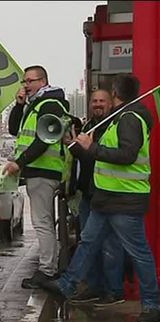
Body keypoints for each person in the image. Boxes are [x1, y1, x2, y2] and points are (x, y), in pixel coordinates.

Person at [40, 74, 160, 322]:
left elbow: (126, 155)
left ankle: (152, 303)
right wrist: (82, 145)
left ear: (116, 94)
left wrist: (91, 148)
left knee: (137, 252)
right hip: (108, 196)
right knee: (89, 242)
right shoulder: (123, 118)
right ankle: (67, 284)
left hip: (124, 198)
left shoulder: (129, 119)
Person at [3, 65, 70, 289]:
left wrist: (19, 163)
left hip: (44, 169)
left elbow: (44, 140)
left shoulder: (49, 104)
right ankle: (49, 266)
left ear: (43, 81)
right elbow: (14, 130)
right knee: (45, 221)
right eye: (24, 82)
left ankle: (47, 270)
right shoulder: (35, 105)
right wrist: (19, 104)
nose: (26, 86)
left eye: (30, 81)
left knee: (42, 222)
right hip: (38, 170)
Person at [66, 89, 126, 307]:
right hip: (89, 193)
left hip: (108, 194)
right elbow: (86, 158)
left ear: (110, 103)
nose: (98, 104)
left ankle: (114, 290)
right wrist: (73, 146)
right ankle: (93, 286)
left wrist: (86, 147)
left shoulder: (113, 125)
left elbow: (103, 156)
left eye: (102, 101)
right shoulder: (90, 125)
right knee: (88, 243)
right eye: (94, 101)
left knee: (110, 245)